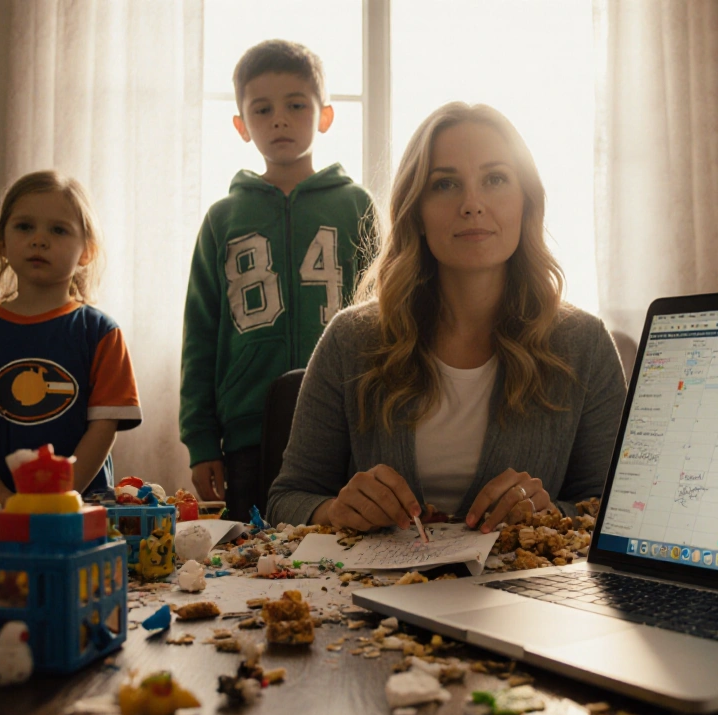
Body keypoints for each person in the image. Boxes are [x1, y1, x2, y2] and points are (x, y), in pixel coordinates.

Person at [267, 102, 626, 534]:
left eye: (495, 179)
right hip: (376, 597)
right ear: (415, 211)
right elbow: (286, 499)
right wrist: (335, 510)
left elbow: (614, 511)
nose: (472, 204)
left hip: (522, 597)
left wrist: (551, 515)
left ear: (526, 203)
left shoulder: (584, 343)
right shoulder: (351, 339)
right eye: (445, 184)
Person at [181, 39, 375, 523]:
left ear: (324, 116)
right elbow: (200, 335)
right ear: (242, 125)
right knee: (254, 559)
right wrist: (202, 440)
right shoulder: (222, 218)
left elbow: (383, 315)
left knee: (342, 550)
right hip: (250, 432)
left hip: (347, 423)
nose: (280, 120)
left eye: (296, 105)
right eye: (262, 109)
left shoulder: (356, 206)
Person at [0, 170, 141, 507]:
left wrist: (56, 501)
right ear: (1, 241)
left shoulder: (102, 335)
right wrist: (2, 501)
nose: (39, 239)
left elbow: (103, 431)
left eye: (58, 230)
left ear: (87, 251)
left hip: (77, 514)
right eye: (25, 226)